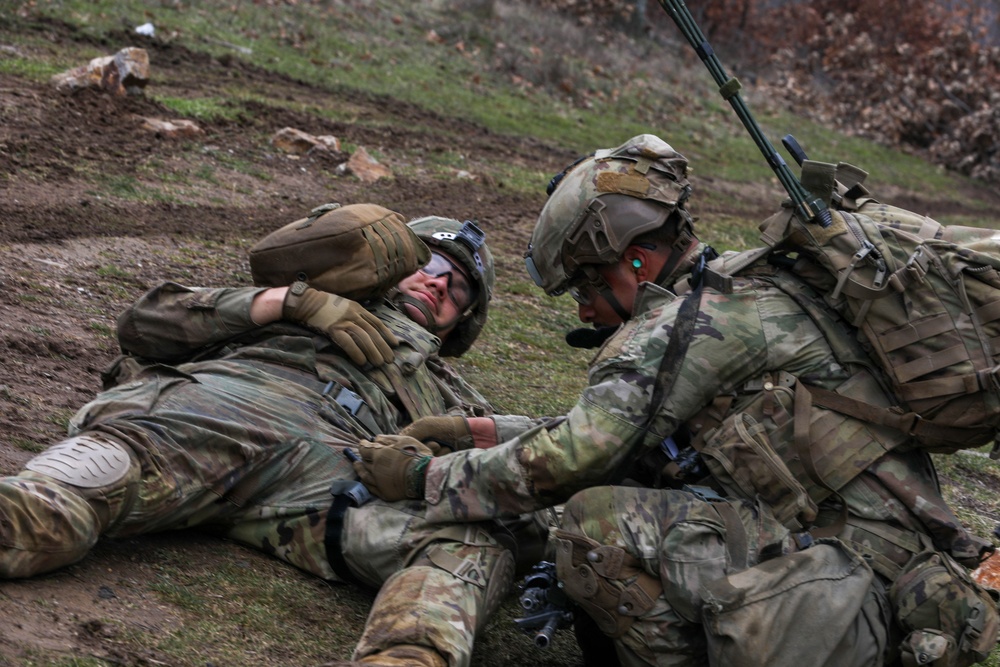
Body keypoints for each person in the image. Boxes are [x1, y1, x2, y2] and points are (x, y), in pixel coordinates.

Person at [352, 136, 1000, 667]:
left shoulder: (692, 324)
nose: (583, 310)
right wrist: (480, 430)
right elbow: (643, 441)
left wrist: (422, 476)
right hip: (878, 578)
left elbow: (579, 456)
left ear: (635, 259)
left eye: (586, 285)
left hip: (847, 592)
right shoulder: (739, 292)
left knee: (593, 524)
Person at [0, 203, 544, 667]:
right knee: (58, 502)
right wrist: (288, 302)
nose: (438, 283)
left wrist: (437, 453)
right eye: (429, 264)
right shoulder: (297, 300)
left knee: (467, 545)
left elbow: (535, 472)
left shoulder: (453, 397)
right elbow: (144, 324)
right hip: (217, 414)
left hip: (331, 485)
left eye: (458, 287)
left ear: (462, 320)